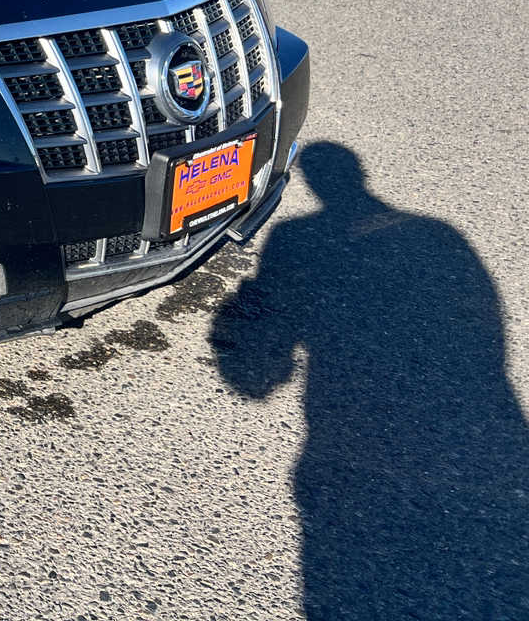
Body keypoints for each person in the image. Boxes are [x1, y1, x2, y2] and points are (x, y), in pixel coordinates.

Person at [212, 141, 529, 619]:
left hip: (342, 434)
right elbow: (487, 331)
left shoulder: (297, 237)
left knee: (345, 562)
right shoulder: (440, 235)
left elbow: (270, 348)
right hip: (478, 429)